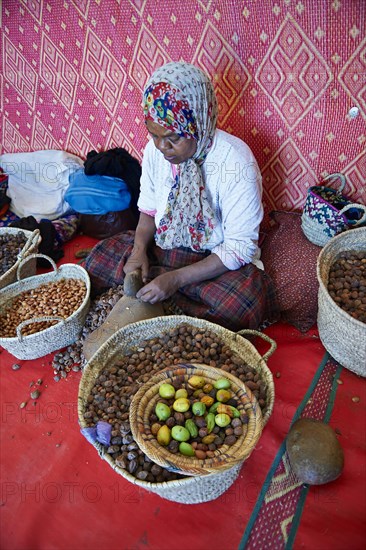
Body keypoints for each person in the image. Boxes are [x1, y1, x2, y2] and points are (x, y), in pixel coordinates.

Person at [85, 61, 278, 331]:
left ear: (198, 123)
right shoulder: (156, 152)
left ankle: (166, 293)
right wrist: (139, 251)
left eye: (173, 138)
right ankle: (169, 297)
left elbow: (238, 248)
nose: (163, 147)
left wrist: (175, 280)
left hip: (212, 261)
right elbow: (149, 211)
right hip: (164, 246)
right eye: (154, 135)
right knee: (98, 259)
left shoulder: (236, 161)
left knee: (241, 304)